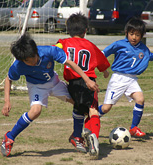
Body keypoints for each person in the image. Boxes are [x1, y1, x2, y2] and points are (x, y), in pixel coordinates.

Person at [0, 33, 99, 157]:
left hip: (54, 82)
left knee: (79, 104)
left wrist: (87, 80)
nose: (31, 62)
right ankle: (9, 137)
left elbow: (70, 63)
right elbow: (8, 79)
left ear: (36, 51)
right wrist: (7, 101)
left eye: (32, 58)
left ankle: (76, 137)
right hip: (37, 87)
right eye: (27, 61)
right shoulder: (19, 66)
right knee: (35, 111)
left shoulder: (49, 51)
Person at [98, 17, 153, 137]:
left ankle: (133, 128)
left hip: (132, 79)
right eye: (131, 34)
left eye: (137, 35)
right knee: (106, 108)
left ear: (142, 36)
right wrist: (103, 68)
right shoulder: (119, 44)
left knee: (140, 99)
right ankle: (92, 114)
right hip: (118, 78)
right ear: (126, 33)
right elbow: (102, 54)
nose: (134, 37)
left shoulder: (143, 48)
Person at [55, 13, 110, 159]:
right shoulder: (91, 45)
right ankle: (94, 140)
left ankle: (77, 136)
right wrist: (105, 72)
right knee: (93, 111)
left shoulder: (63, 42)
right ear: (85, 30)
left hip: (72, 83)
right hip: (88, 82)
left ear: (68, 30)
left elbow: (55, 49)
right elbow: (102, 63)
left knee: (79, 108)